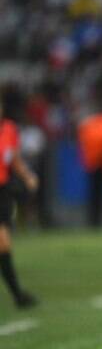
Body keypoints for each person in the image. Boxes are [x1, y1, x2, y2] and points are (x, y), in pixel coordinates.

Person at [0, 99, 39, 309]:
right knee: (3, 242)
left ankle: (17, 295)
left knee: (4, 243)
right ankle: (17, 295)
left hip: (2, 191)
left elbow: (13, 159)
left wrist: (27, 176)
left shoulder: (9, 130)